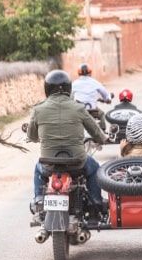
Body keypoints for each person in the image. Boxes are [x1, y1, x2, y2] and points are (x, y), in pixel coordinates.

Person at [28, 70, 108, 211]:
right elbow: (97, 133)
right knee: (94, 167)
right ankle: (96, 201)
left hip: (49, 165)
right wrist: (103, 138)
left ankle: (39, 199)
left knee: (37, 169)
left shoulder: (38, 110)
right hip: (77, 164)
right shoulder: (79, 108)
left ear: (47, 89)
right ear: (68, 88)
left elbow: (32, 137)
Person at [71, 63, 111, 130]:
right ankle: (103, 136)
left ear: (79, 73)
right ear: (90, 73)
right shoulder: (94, 82)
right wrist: (108, 99)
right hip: (93, 111)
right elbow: (105, 94)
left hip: (79, 111)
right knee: (101, 114)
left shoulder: (74, 83)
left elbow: (69, 95)